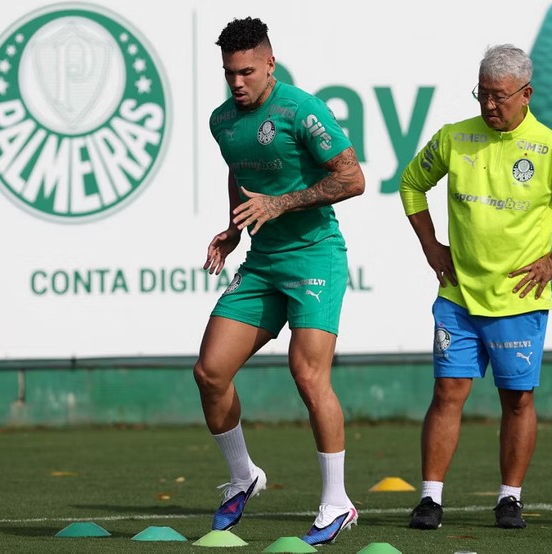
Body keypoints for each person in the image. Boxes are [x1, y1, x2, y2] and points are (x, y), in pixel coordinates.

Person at [399, 44, 552, 530]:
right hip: (458, 296)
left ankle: (510, 497)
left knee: (517, 398)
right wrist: (432, 246)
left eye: (499, 96)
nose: (489, 105)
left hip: (519, 301)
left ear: (527, 94)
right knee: (448, 390)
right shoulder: (455, 138)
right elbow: (411, 183)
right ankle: (430, 497)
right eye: (482, 95)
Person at [193, 17, 365, 546]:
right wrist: (233, 228)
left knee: (308, 375)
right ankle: (243, 475)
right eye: (229, 74)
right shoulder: (222, 121)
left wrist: (280, 203)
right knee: (210, 372)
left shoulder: (301, 109)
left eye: (247, 71)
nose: (238, 82)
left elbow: (352, 178)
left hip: (315, 256)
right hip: (264, 262)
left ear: (270, 62)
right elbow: (237, 169)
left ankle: (337, 502)